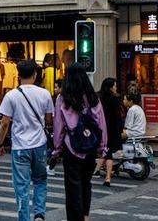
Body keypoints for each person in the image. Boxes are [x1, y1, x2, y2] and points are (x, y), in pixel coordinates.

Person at [0, 59, 53, 221]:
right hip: (40, 146)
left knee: (21, 187)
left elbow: (5, 123)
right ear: (35, 75)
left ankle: (24, 218)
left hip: (20, 147)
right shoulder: (45, 94)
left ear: (18, 76)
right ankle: (40, 215)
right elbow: (49, 121)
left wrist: (0, 144)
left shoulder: (11, 95)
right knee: (40, 181)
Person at [53, 63, 107, 221]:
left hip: (71, 147)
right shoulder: (93, 98)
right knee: (86, 183)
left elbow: (59, 128)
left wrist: (56, 150)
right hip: (90, 147)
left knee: (72, 188)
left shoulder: (63, 98)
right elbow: (101, 124)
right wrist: (102, 147)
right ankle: (85, 216)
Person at [94, 78, 122, 187]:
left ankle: (97, 170)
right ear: (111, 87)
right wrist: (119, 130)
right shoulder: (115, 99)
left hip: (100, 129)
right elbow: (117, 116)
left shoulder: (98, 97)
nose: (116, 88)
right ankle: (108, 177)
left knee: (105, 151)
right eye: (114, 86)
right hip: (111, 130)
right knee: (109, 154)